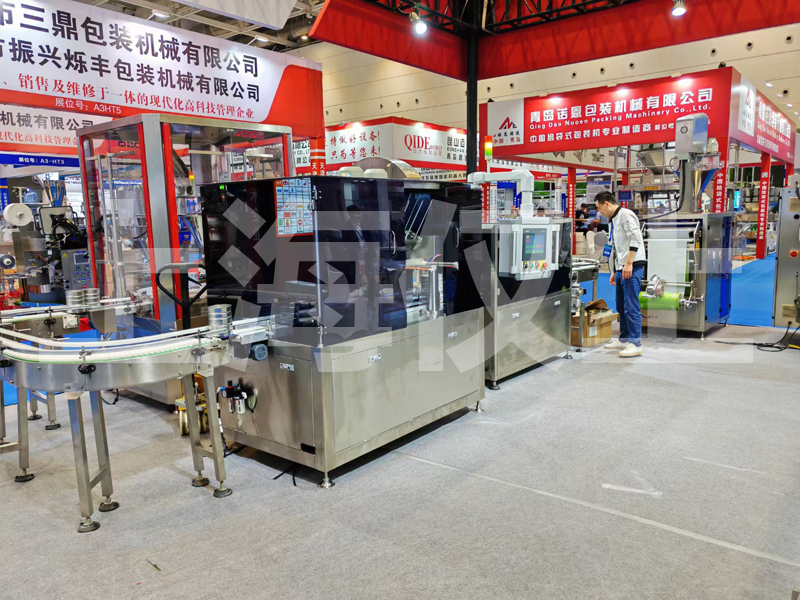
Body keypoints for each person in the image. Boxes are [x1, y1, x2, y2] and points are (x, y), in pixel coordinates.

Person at [594, 191, 646, 357]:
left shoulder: (626, 215)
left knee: (631, 306)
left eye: (599, 208)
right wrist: (613, 271)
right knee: (621, 306)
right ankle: (624, 339)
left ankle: (635, 343)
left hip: (632, 266)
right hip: (620, 267)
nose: (599, 212)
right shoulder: (613, 220)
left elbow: (636, 239)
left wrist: (629, 263)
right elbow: (614, 246)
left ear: (607, 203)